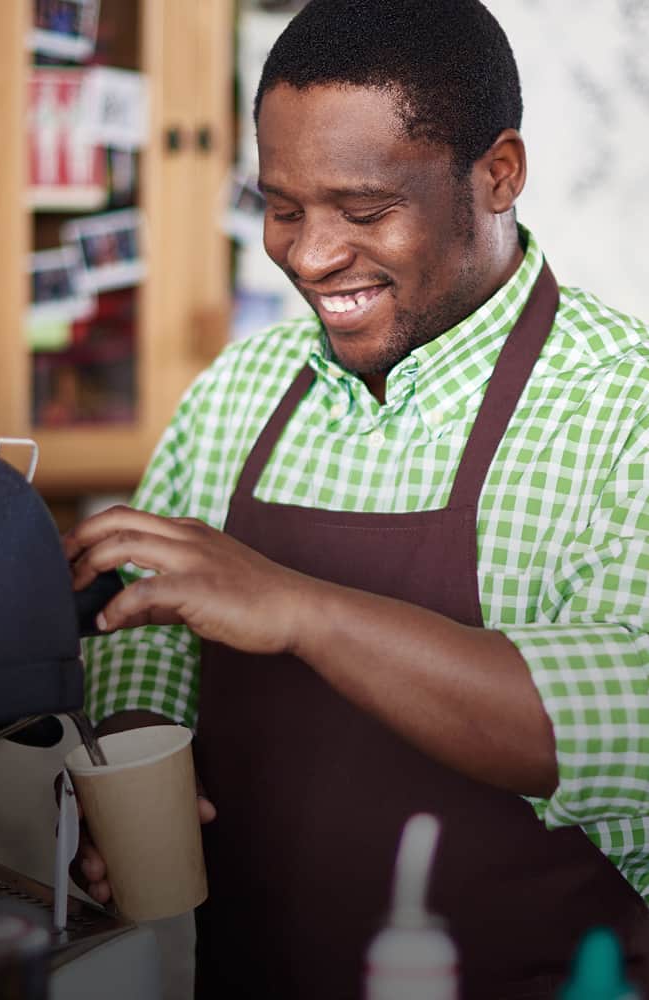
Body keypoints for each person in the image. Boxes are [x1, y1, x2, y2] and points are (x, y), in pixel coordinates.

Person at [63, 1, 649, 996]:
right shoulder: (238, 392)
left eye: (366, 211)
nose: (309, 254)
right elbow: (146, 634)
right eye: (282, 207)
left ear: (498, 172)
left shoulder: (621, 407)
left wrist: (294, 605)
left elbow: (618, 719)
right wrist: (138, 757)